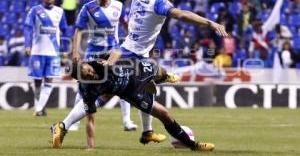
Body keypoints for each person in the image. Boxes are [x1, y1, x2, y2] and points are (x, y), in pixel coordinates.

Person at [67, 0, 227, 148]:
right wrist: (209, 22)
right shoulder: (161, 3)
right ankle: (65, 124)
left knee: (150, 90)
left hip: (129, 51)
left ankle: (148, 131)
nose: (173, 1)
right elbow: (183, 15)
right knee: (108, 93)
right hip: (131, 56)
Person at [52, 59, 215, 151]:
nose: (89, 73)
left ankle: (163, 77)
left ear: (87, 64)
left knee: (157, 68)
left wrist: (109, 61)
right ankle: (193, 145)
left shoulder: (98, 63)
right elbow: (91, 118)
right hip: (132, 94)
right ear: (80, 79)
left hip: (137, 72)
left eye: (87, 69)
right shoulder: (87, 88)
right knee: (164, 114)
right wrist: (91, 147)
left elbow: (115, 53)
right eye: (85, 75)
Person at [72, 0, 138, 131]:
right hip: (93, 51)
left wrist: (130, 45)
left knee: (122, 82)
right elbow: (78, 30)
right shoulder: (87, 8)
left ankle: (127, 121)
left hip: (112, 51)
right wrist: (75, 51)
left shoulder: (119, 6)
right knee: (84, 85)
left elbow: (125, 24)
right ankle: (75, 122)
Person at [24, 0, 68, 116]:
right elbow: (27, 28)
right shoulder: (35, 11)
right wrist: (28, 45)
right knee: (37, 80)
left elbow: (65, 30)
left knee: (49, 79)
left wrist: (65, 50)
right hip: (37, 51)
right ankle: (40, 107)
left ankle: (38, 109)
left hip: (53, 52)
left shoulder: (60, 12)